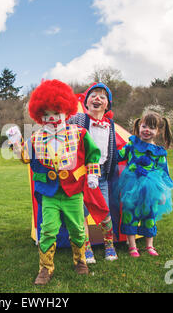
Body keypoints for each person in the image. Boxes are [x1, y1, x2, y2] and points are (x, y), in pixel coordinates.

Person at [7, 79, 109, 285]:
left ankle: (80, 261)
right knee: (48, 229)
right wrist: (15, 143)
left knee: (78, 229)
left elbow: (93, 155)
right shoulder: (36, 138)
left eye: (56, 111)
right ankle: (45, 269)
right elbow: (25, 157)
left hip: (73, 192)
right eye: (46, 113)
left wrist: (92, 174)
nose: (51, 117)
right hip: (49, 193)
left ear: (66, 110)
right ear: (39, 115)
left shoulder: (79, 133)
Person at [114, 111, 173, 257]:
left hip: (151, 189)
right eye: (144, 126)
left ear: (158, 131)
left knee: (150, 215)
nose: (147, 130)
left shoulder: (159, 152)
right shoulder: (132, 144)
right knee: (130, 214)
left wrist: (163, 193)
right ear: (139, 126)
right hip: (131, 186)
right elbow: (119, 156)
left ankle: (149, 245)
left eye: (152, 127)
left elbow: (163, 172)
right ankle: (132, 246)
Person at [68, 83, 119, 262]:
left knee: (104, 212)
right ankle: (86, 248)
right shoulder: (78, 119)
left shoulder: (110, 124)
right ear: (86, 102)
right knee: (81, 213)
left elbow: (111, 148)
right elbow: (60, 123)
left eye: (102, 96)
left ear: (107, 105)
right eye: (94, 95)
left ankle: (109, 245)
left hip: (102, 176)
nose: (97, 98)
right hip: (80, 177)